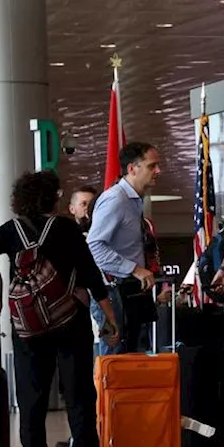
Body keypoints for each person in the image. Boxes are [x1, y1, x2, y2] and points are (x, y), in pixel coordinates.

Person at [0, 171, 124, 447]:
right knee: (78, 390)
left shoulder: (11, 230)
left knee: (31, 394)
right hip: (69, 320)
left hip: (28, 326)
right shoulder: (65, 228)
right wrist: (109, 317)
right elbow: (91, 274)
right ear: (52, 196)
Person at [87, 142, 162, 355]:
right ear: (132, 168)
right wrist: (135, 269)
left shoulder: (134, 201)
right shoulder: (115, 199)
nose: (158, 171)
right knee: (115, 363)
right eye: (151, 166)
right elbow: (94, 246)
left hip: (129, 291)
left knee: (131, 360)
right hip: (113, 292)